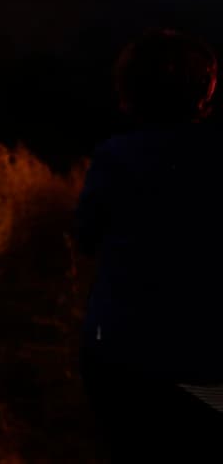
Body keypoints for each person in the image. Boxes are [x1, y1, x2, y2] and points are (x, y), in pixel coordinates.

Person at [76, 29, 223, 460]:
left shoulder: (116, 157)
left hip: (122, 356)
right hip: (208, 360)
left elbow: (87, 238)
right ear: (206, 89)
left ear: (128, 91)